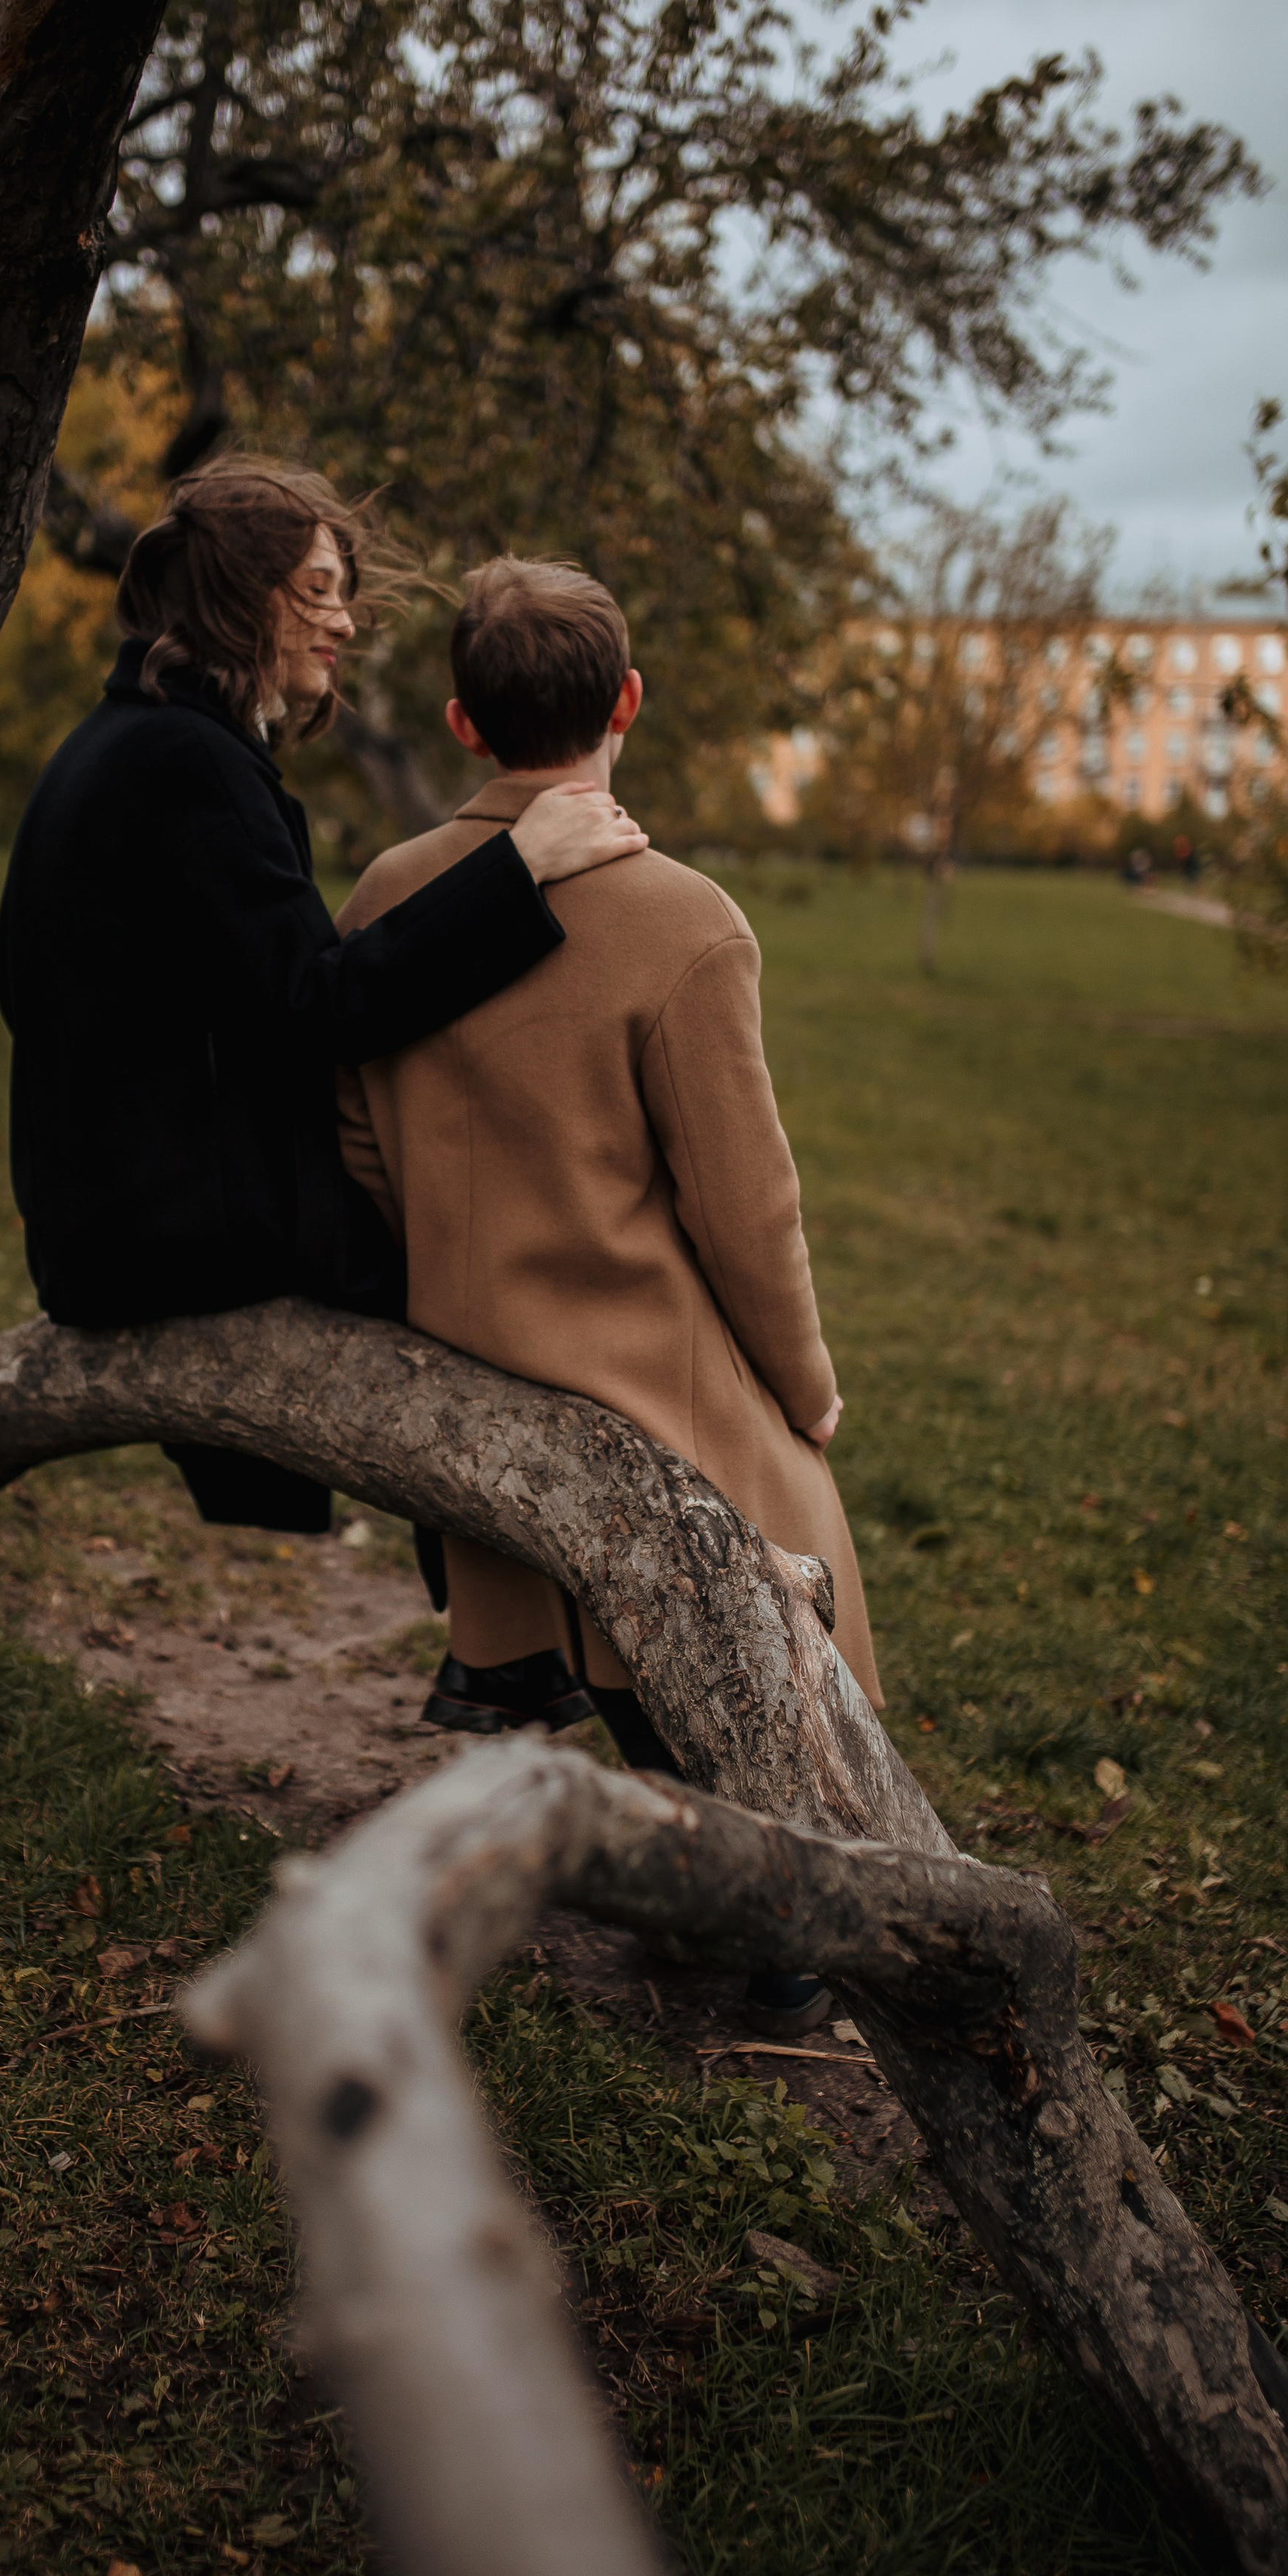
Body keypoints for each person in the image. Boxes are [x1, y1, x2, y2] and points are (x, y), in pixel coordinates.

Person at [335, 557, 880, 2032]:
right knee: (792, 1525)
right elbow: (742, 1206)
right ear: (626, 701)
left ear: (459, 722)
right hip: (642, 1371)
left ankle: (692, 1878)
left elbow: (351, 1141)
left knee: (666, 1581)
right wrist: (805, 1379)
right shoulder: (681, 917)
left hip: (470, 1358)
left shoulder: (387, 894)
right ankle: (778, 1940)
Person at [0, 464, 647, 1535]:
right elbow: (320, 1007)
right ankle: (507, 1641)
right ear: (243, 594)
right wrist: (517, 865)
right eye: (316, 589)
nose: (344, 620)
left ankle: (499, 1635)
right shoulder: (185, 762)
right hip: (177, 1243)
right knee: (492, 1298)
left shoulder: (129, 743)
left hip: (105, 1228)